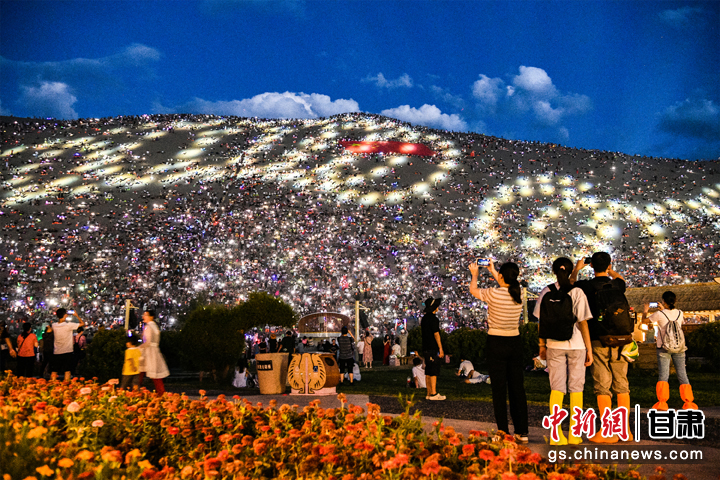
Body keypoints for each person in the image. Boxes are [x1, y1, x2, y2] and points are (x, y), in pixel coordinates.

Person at [571, 252, 631, 443]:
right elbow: (621, 279)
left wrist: (577, 269)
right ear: (609, 264)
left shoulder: (586, 286)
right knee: (622, 383)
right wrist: (610, 271)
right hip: (622, 339)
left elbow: (570, 285)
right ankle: (624, 430)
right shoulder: (617, 285)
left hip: (599, 339)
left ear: (591, 266)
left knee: (602, 384)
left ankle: (608, 431)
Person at [535, 257, 593, 445]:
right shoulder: (577, 292)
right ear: (569, 272)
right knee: (576, 388)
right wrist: (589, 349)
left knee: (556, 388)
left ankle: (556, 434)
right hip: (577, 345)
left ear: (554, 271)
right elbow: (583, 323)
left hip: (553, 345)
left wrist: (542, 345)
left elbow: (541, 322)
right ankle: (574, 434)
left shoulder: (546, 291)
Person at [469, 260, 528, 443]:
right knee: (517, 388)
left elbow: (473, 290)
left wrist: (475, 274)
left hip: (496, 342)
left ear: (501, 277)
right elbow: (506, 283)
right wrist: (494, 271)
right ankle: (522, 431)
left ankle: (503, 431)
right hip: (515, 341)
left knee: (499, 390)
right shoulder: (519, 293)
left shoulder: (493, 293)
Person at [643, 291, 697, 411]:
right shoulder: (680, 313)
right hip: (679, 348)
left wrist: (645, 310)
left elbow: (644, 321)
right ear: (675, 300)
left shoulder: (659, 314)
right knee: (682, 374)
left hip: (663, 348)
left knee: (664, 375)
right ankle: (689, 403)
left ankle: (662, 403)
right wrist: (664, 309)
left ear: (663, 301)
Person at [137, 310, 169, 394]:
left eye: (146, 315)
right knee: (155, 375)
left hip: (148, 351)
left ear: (151, 317)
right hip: (154, 351)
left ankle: (136, 391)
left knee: (140, 372)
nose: (143, 317)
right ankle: (161, 392)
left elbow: (148, 342)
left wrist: (138, 348)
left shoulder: (148, 327)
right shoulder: (154, 326)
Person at [421, 296, 445, 400]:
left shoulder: (424, 318)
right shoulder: (434, 319)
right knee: (433, 370)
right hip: (432, 347)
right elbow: (436, 334)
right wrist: (440, 348)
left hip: (425, 346)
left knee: (428, 370)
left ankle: (428, 393)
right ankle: (434, 393)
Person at [51, 309, 85, 382]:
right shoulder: (69, 325)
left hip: (57, 351)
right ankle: (66, 384)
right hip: (67, 351)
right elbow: (82, 323)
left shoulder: (54, 325)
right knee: (67, 370)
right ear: (65, 315)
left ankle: (52, 384)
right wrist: (76, 316)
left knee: (54, 370)